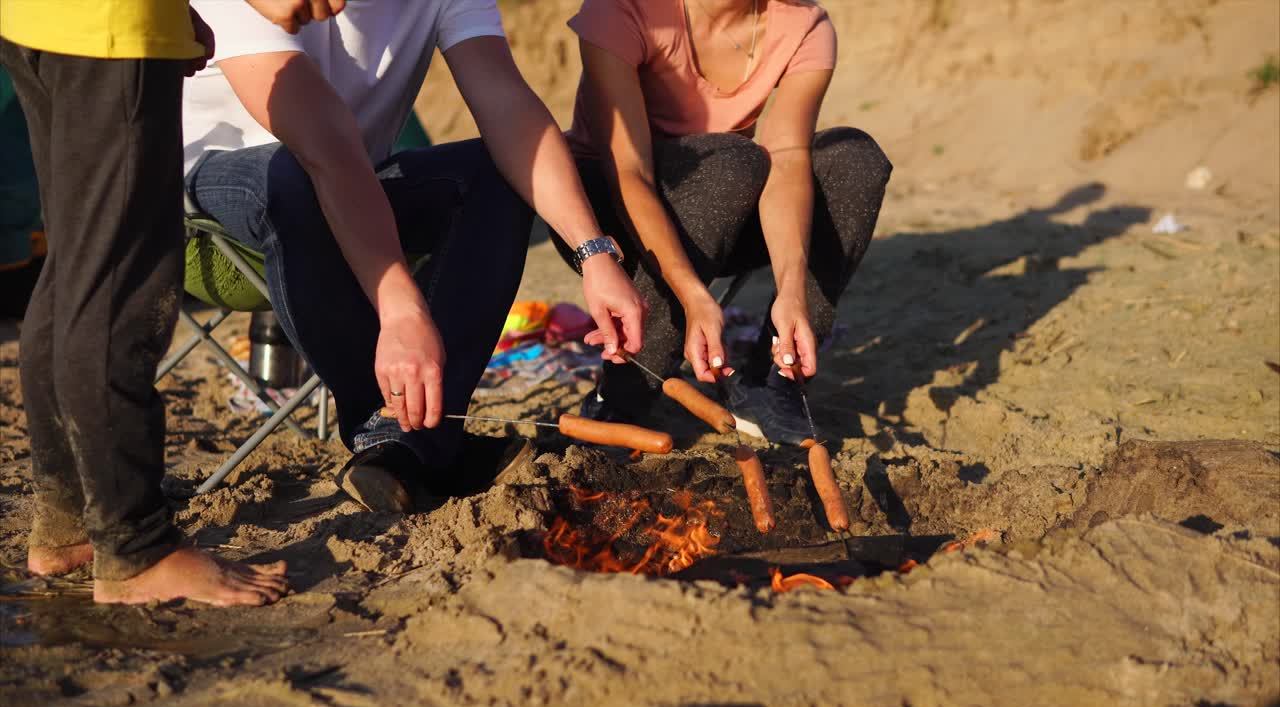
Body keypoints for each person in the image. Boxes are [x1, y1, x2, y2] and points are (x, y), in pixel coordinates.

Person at [182, 1, 646, 512]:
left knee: (496, 173)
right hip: (200, 217)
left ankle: (411, 441)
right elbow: (323, 145)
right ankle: (397, 434)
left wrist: (594, 252)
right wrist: (401, 311)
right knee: (292, 175)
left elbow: (507, 105)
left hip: (351, 184)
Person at [0, 0, 345, 606]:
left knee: (78, 268)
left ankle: (72, 522)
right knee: (118, 286)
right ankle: (136, 551)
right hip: (112, 25)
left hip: (42, 18)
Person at [556, 0, 892, 445]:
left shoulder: (805, 24)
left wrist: (792, 292)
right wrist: (694, 297)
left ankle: (773, 378)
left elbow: (787, 160)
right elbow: (629, 173)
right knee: (734, 163)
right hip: (605, 224)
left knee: (854, 159)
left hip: (721, 206)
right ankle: (625, 394)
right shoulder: (624, 7)